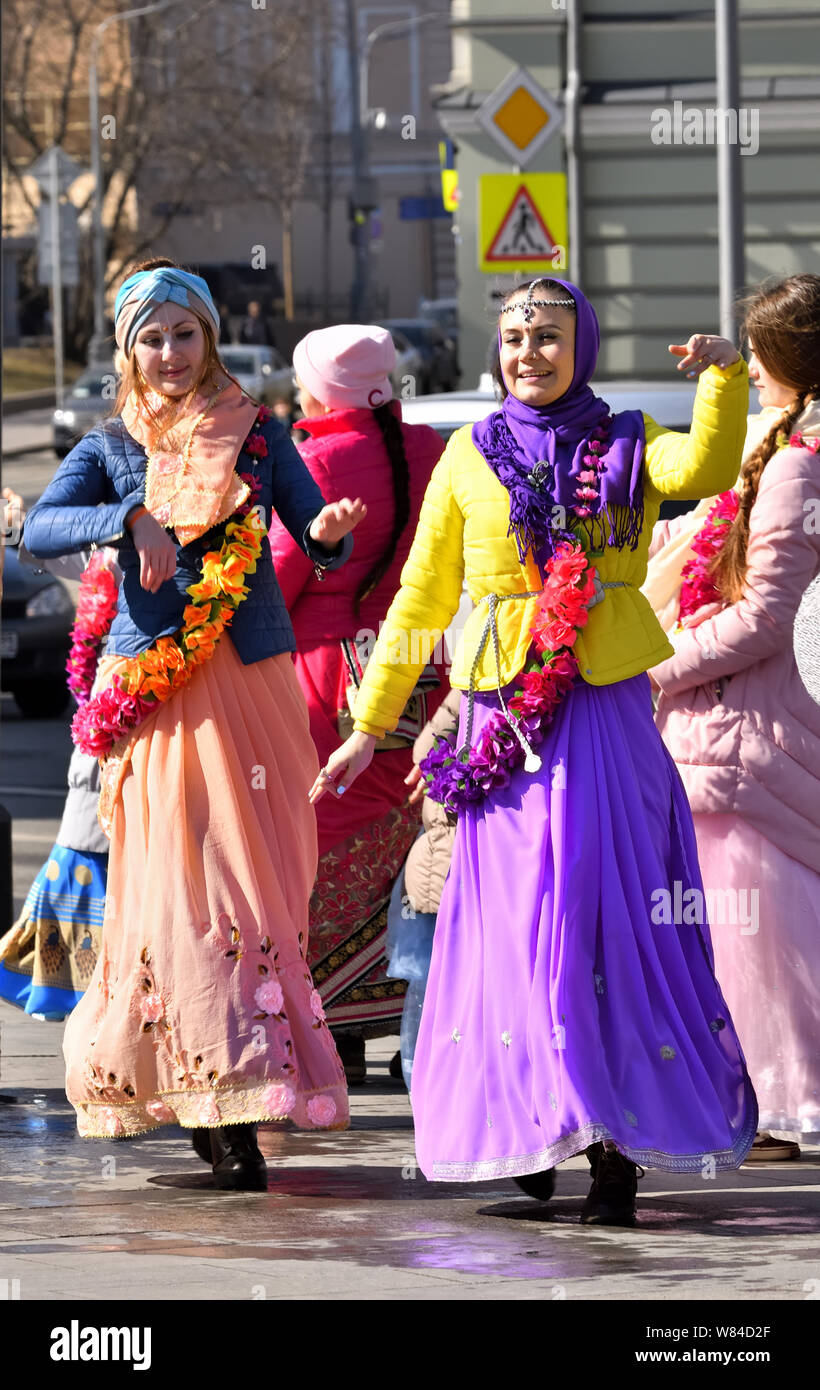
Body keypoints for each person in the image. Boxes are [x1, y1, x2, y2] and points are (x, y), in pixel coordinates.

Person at [311, 276, 758, 1226]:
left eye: (549, 337)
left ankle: (612, 1150)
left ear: (581, 344)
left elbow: (706, 471)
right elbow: (420, 604)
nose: (529, 354)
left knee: (602, 921)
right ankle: (529, 1139)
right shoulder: (468, 458)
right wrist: (367, 725)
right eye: (515, 337)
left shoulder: (630, 440)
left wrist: (724, 380)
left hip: (599, 712)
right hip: (501, 725)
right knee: (513, 929)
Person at [22, 259, 365, 1191]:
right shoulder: (110, 444)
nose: (170, 353)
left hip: (250, 680)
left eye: (185, 333)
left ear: (209, 337)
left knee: (261, 885)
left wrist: (328, 532)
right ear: (128, 350)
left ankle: (250, 1079)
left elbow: (316, 538)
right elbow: (37, 530)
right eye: (151, 337)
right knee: (177, 888)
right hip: (156, 689)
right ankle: (211, 1097)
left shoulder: (259, 434)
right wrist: (129, 515)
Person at [645, 273, 820, 1160]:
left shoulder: (795, 464)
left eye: (755, 356)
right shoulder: (791, 446)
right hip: (773, 719)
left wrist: (656, 670)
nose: (751, 370)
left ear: (789, 360)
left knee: (756, 935)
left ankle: (777, 1112)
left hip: (748, 730)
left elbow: (763, 616)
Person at [268, 324, 446, 1081]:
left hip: (323, 683)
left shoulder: (313, 461)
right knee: (402, 842)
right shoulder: (431, 448)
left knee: (312, 847)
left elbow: (277, 583)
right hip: (418, 667)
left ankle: (323, 1027)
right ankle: (393, 1010)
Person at [0, 546, 119, 1021]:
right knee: (80, 861)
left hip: (126, 715)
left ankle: (92, 990)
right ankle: (79, 987)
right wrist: (22, 534)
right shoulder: (112, 547)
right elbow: (62, 551)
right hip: (104, 727)